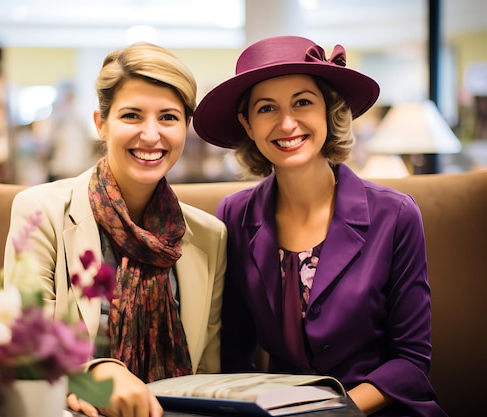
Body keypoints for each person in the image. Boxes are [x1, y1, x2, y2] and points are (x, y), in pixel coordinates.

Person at [192, 35, 447, 417]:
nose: (287, 123)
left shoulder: (395, 215)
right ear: (247, 124)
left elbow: (410, 359)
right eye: (266, 109)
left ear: (329, 110)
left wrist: (335, 411)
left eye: (303, 102)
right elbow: (233, 347)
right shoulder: (233, 215)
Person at [4, 42, 226, 417]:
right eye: (132, 116)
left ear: (185, 128)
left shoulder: (210, 236)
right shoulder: (40, 212)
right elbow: (24, 351)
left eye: (169, 117)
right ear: (101, 124)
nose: (151, 135)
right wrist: (95, 371)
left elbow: (207, 374)